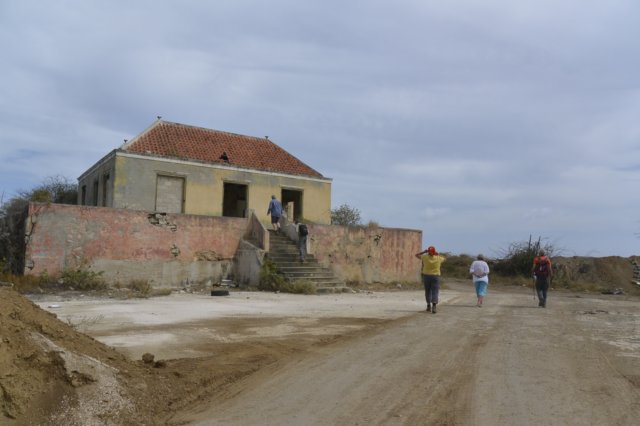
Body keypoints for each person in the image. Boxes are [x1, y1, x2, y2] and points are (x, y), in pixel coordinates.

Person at [415, 246, 446, 313]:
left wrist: (424, 252)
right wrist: (438, 254)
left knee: (428, 291)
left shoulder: (425, 257)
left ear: (428, 252)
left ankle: (428, 306)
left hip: (426, 276)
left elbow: (416, 255)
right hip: (435, 277)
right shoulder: (438, 258)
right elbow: (445, 258)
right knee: (435, 291)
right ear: (434, 252)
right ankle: (434, 306)